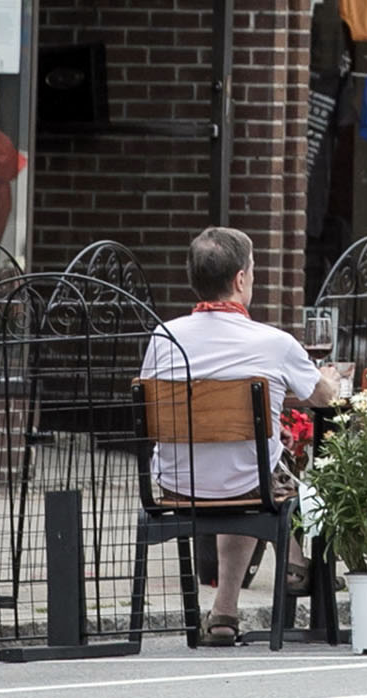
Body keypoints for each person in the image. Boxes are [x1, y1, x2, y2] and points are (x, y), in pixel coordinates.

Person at [140, 227, 350, 646]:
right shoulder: (273, 343)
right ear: (240, 280)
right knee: (261, 467)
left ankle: (225, 612)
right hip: (250, 484)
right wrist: (326, 376)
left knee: (244, 458)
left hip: (175, 485)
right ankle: (297, 559)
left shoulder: (162, 338)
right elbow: (325, 398)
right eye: (251, 270)